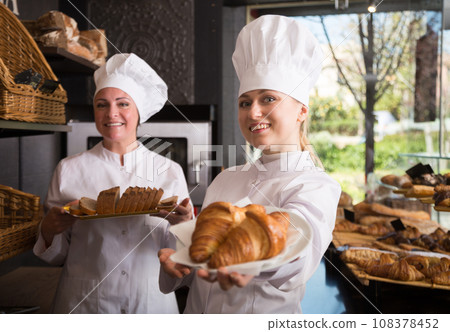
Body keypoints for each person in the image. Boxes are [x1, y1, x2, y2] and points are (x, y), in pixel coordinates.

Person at [158, 15, 341, 314]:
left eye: (268, 99)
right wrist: (176, 262)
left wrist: (256, 260)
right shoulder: (225, 178)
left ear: (301, 111)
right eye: (245, 102)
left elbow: (300, 253)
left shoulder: (316, 186)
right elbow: (196, 272)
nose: (253, 112)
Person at [33, 53, 193, 314]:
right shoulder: (69, 168)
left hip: (150, 302)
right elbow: (57, 255)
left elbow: (180, 256)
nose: (111, 113)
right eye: (101, 105)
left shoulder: (169, 171)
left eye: (123, 104)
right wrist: (49, 229)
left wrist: (184, 224)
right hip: (85, 303)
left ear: (139, 111)